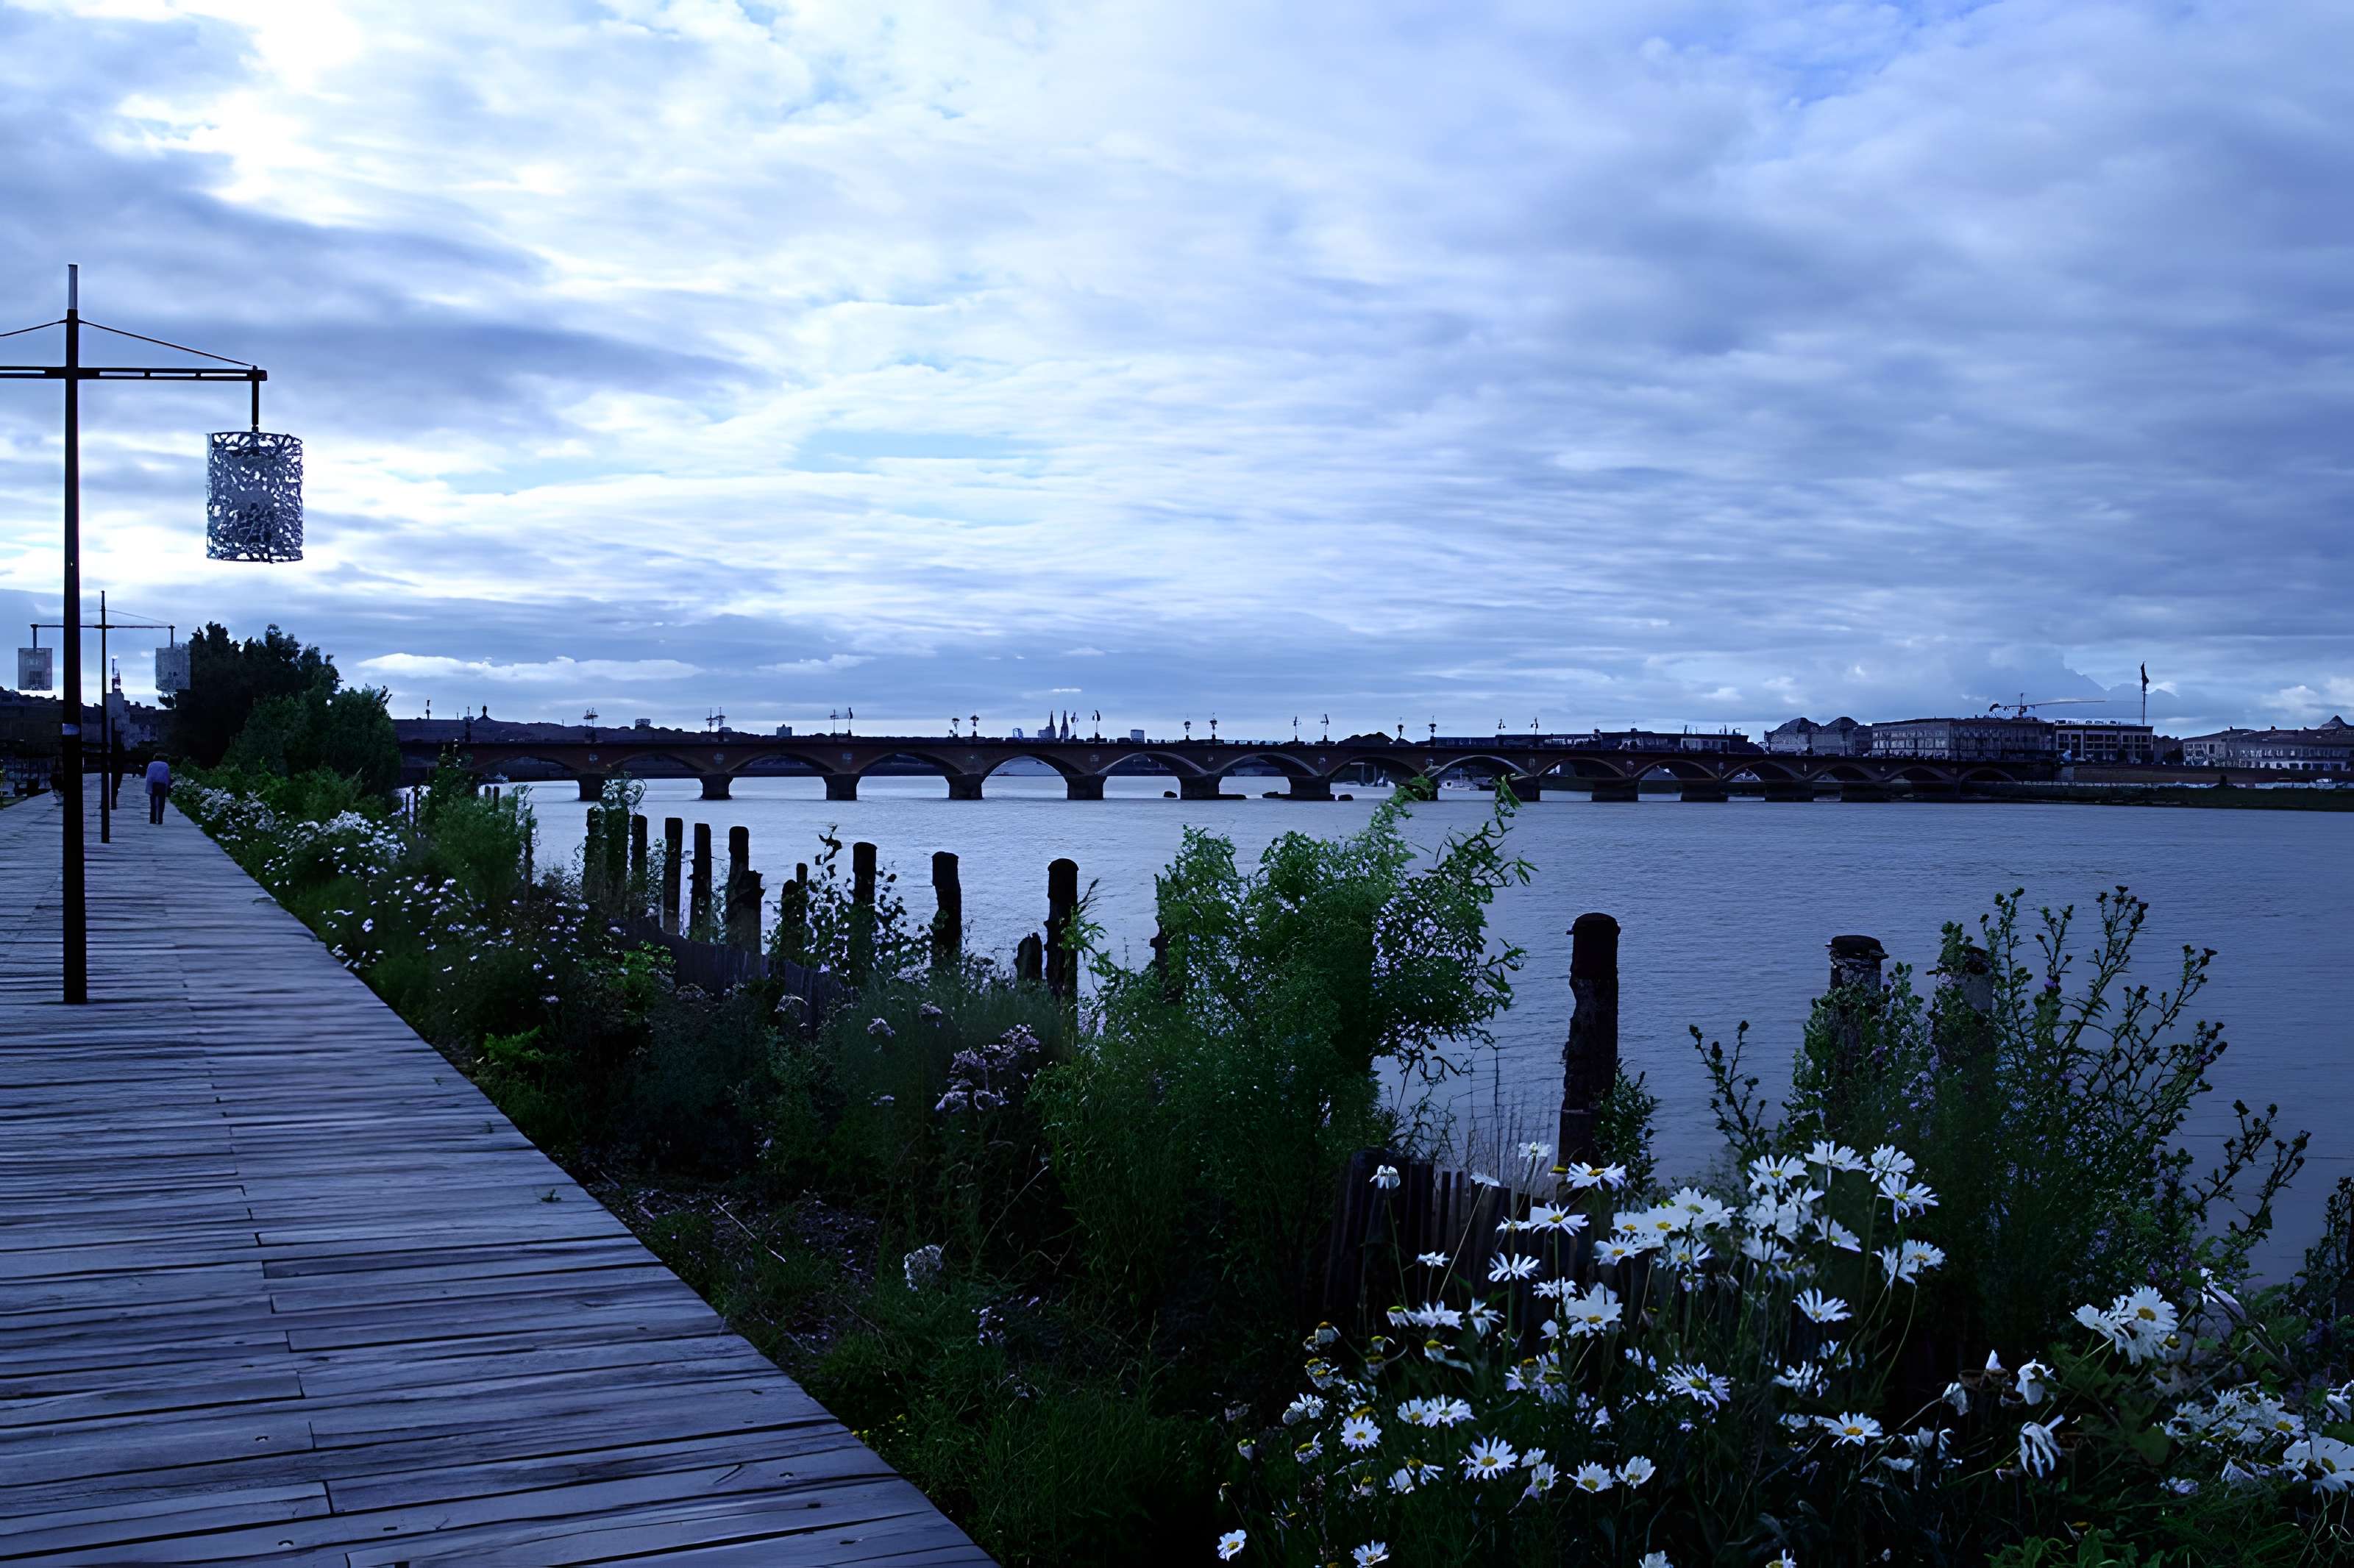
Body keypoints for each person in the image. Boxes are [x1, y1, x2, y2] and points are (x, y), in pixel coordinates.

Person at [144, 756, 171, 825]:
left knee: (153, 803)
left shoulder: (151, 764)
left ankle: (152, 820)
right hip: (162, 785)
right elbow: (168, 776)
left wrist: (148, 788)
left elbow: (149, 775)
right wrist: (168, 786)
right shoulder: (166, 765)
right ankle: (160, 819)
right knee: (161, 803)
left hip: (153, 784)